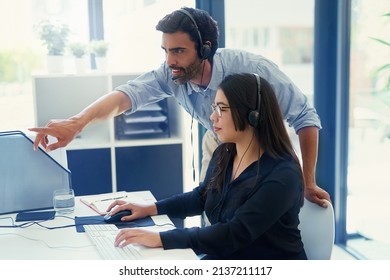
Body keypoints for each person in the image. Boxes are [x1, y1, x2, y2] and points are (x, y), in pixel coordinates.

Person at [29, 7, 330, 207]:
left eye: (178, 51)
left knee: (252, 224)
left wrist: (308, 180)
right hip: (220, 141)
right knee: (212, 208)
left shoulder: (251, 68)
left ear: (206, 48)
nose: (170, 60)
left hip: (263, 145)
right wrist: (77, 122)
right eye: (166, 51)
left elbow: (305, 116)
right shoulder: (170, 74)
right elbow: (126, 96)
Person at [107, 73, 307, 260]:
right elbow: (202, 196)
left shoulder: (283, 174)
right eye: (214, 108)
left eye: (221, 108)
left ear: (252, 115)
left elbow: (234, 233)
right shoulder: (226, 153)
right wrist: (149, 208)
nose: (213, 117)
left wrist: (161, 238)